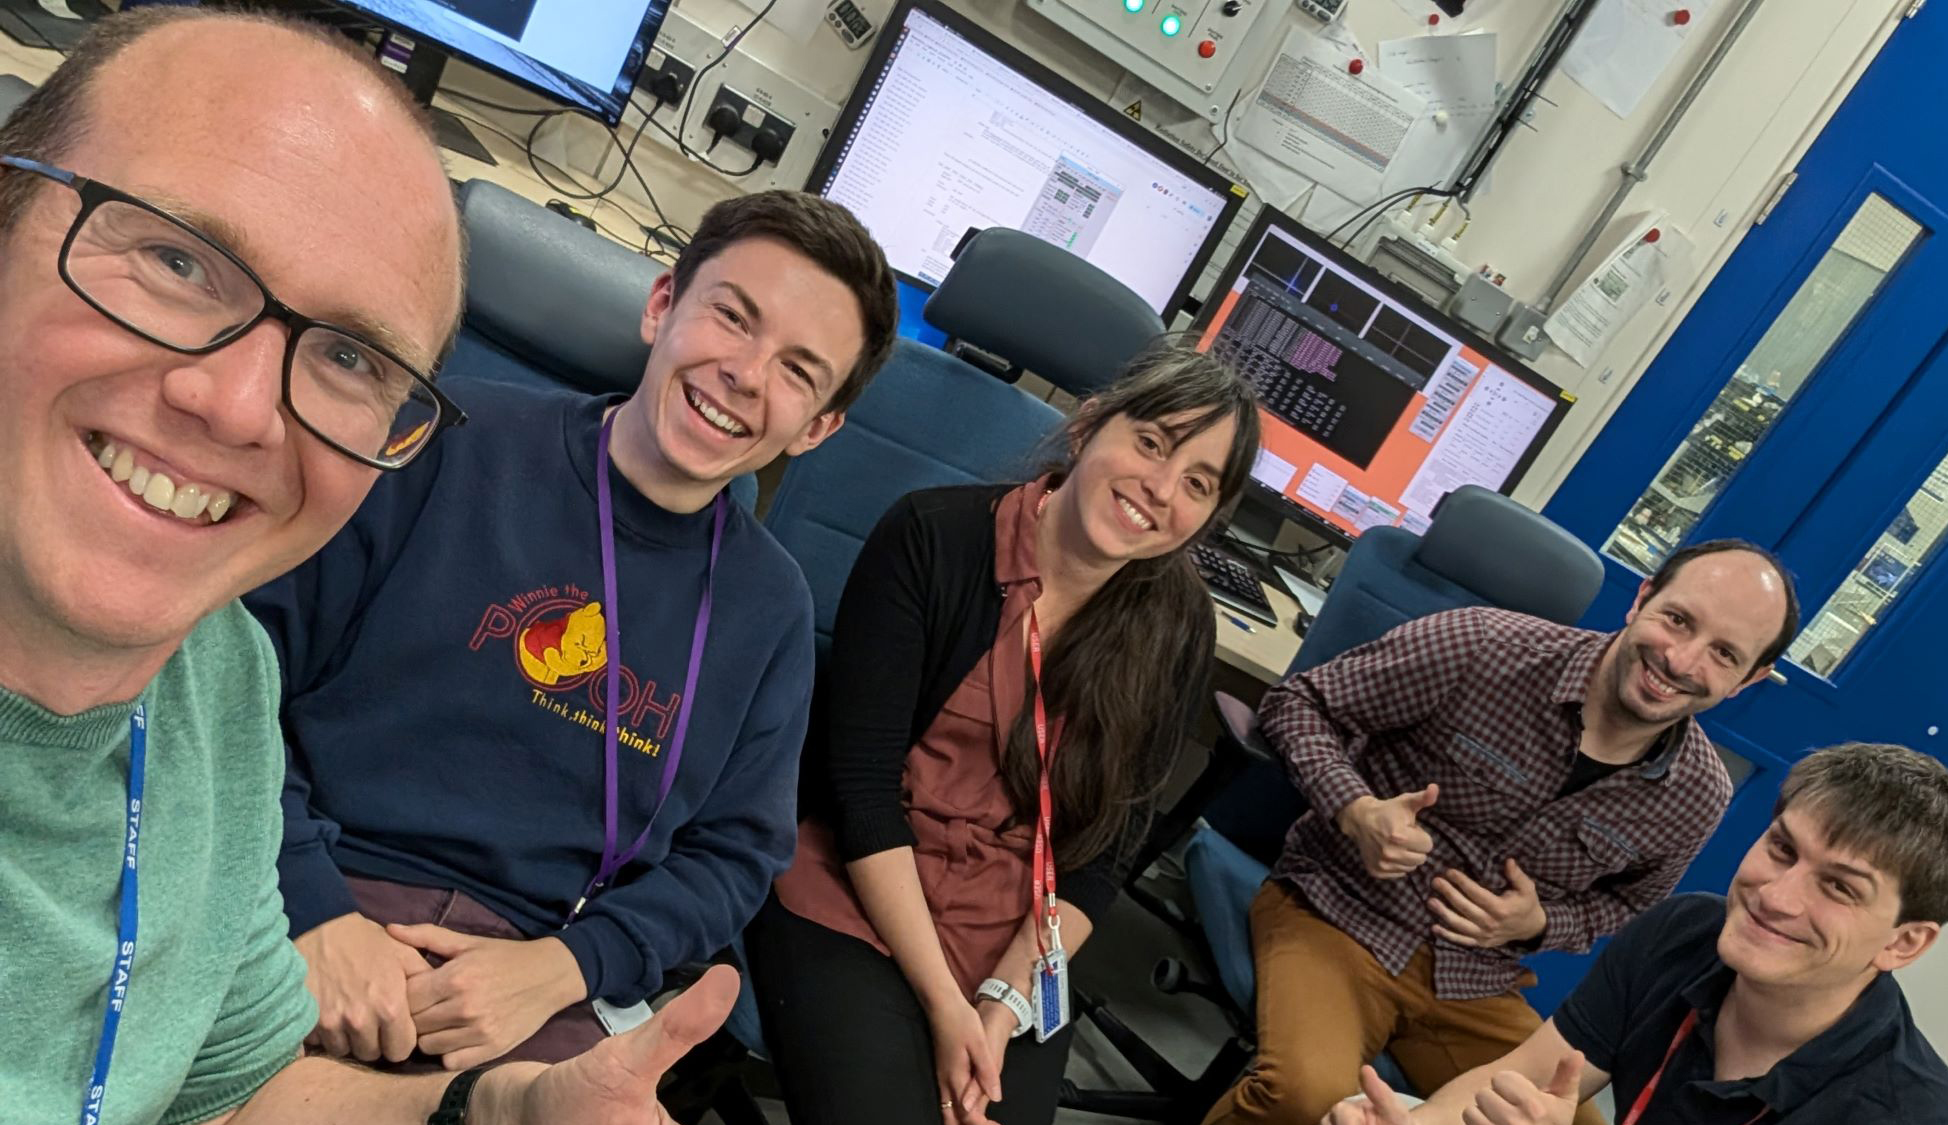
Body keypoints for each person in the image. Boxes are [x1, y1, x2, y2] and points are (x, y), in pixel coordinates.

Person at [0, 8, 737, 1124]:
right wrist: (323, 906)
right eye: (176, 260)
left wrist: (506, 1108)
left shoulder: (218, 683)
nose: (239, 405)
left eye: (348, 356)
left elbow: (233, 1096)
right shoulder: (473, 465)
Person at [244, 181, 897, 1071]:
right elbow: (240, 671)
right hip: (302, 879)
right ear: (662, 304)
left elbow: (735, 857)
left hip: (538, 968)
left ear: (816, 428)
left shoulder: (771, 609)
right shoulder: (445, 440)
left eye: (797, 370)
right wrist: (312, 902)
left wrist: (564, 968)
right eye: (732, 317)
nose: (747, 373)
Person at [747, 346, 1261, 1125]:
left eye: (1197, 483)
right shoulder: (934, 535)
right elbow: (861, 794)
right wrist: (945, 1005)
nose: (1161, 489)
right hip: (865, 888)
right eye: (1153, 442)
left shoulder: (1178, 623)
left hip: (1015, 931)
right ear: (1089, 426)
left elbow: (1102, 856)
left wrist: (1001, 1003)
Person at [1207, 540, 1802, 1125]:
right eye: (1677, 619)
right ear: (1642, 597)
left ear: (1749, 679)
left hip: (1475, 982)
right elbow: (1298, 704)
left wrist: (1541, 924)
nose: (1681, 660)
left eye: (1724, 654)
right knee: (1304, 1097)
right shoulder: (1484, 645)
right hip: (1339, 914)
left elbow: (1629, 905)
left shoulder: (1697, 794)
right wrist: (1355, 809)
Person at [1331, 741, 1948, 1125]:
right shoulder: (1685, 931)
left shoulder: (1905, 1114)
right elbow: (1519, 1074)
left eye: (1841, 888)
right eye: (1782, 848)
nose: (1775, 895)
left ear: (1903, 943)